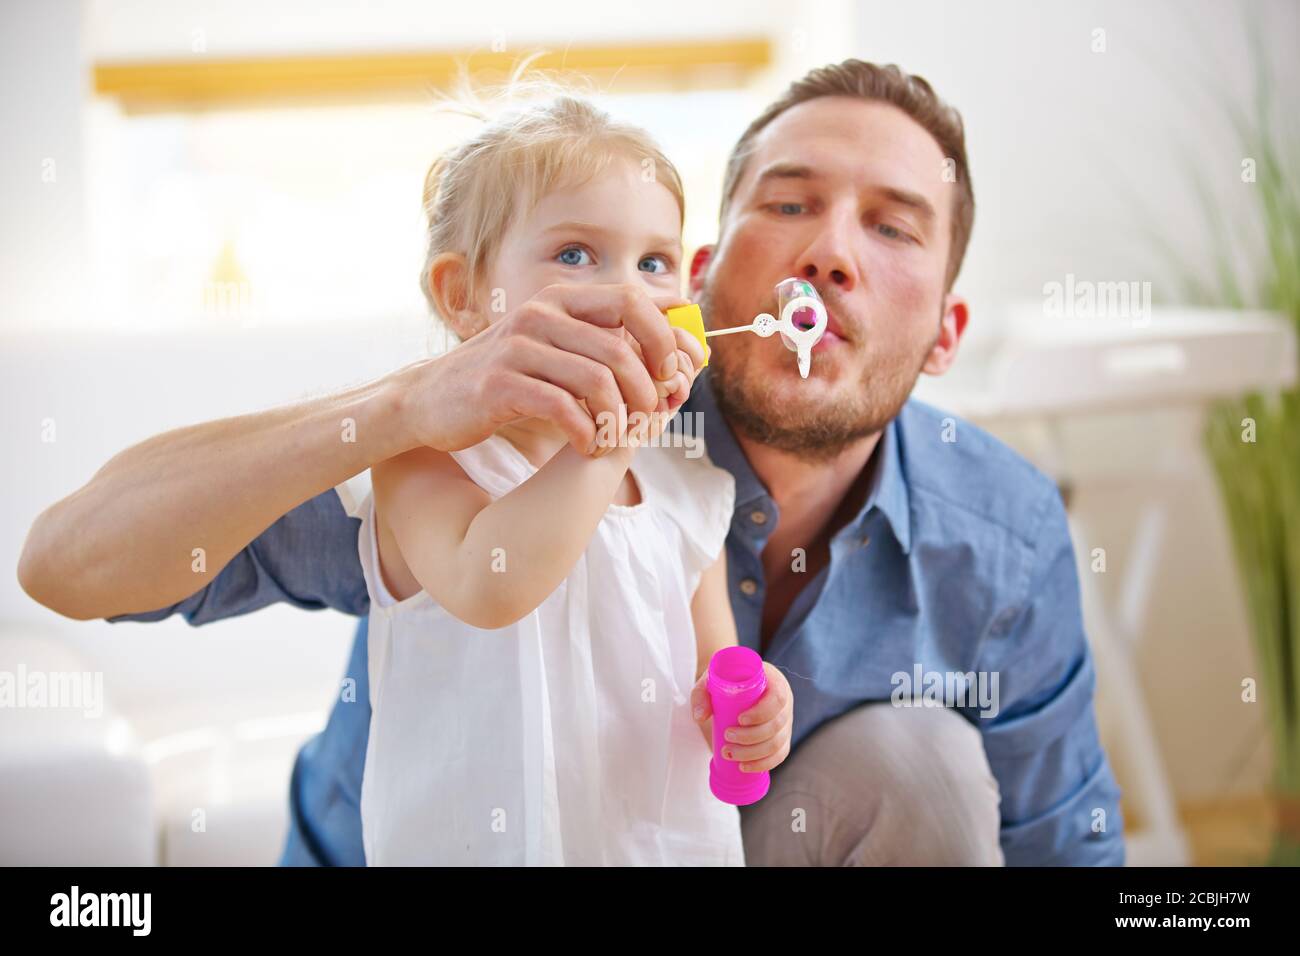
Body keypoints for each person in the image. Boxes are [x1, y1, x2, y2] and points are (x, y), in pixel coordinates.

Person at [18, 59, 1125, 866]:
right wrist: (401, 405)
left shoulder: (998, 532)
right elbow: (69, 563)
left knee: (919, 763)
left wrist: (748, 710)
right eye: (787, 203)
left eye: (891, 227)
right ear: (704, 280)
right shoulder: (490, 430)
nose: (826, 250)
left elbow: (1063, 851)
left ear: (945, 330)